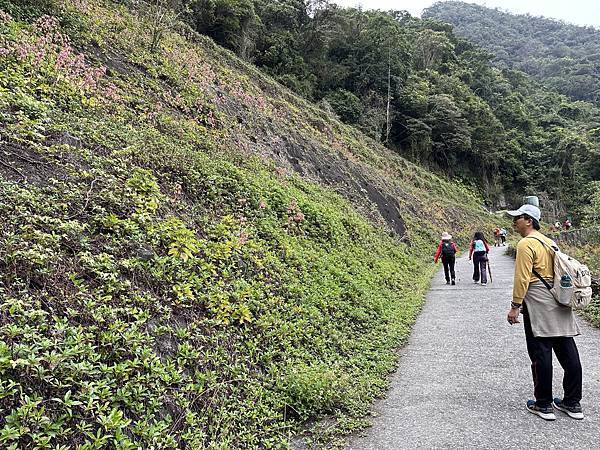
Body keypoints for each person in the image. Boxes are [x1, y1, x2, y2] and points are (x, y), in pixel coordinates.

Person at [506, 204, 583, 421]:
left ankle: (543, 404)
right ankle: (572, 402)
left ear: (529, 220)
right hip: (559, 299)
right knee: (567, 349)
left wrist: (515, 306)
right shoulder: (550, 242)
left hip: (539, 302)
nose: (514, 222)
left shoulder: (526, 244)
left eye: (518, 218)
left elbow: (522, 279)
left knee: (541, 351)